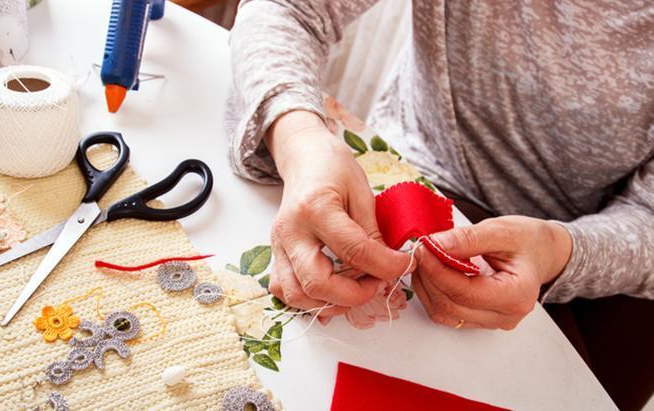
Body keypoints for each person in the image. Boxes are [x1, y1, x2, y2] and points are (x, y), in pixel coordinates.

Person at [224, 1, 653, 409]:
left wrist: (562, 251)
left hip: (588, 261)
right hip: (401, 170)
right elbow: (289, 9)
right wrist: (299, 139)